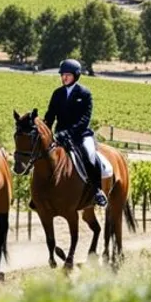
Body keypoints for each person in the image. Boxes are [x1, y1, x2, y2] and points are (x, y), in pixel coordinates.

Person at [42, 59, 108, 207]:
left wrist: (69, 132)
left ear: (76, 76)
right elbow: (50, 116)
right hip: (60, 136)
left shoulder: (84, 93)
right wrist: (45, 130)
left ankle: (97, 190)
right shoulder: (57, 94)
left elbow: (85, 119)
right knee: (43, 155)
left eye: (68, 75)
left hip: (81, 135)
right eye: (62, 75)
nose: (64, 78)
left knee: (89, 155)